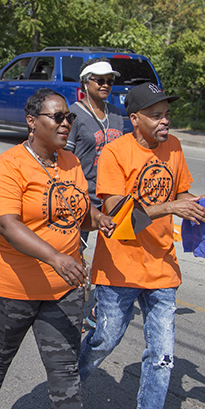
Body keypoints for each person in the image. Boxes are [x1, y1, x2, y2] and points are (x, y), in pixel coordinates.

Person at [0, 88, 119, 409]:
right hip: (9, 284)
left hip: (62, 286)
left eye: (69, 117)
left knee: (65, 366)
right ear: (33, 122)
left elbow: (71, 212)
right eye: (57, 117)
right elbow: (5, 223)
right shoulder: (10, 164)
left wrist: (95, 219)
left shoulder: (69, 162)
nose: (66, 123)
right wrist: (55, 257)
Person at [79, 82, 205, 409]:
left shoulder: (174, 148)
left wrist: (197, 203)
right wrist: (173, 206)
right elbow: (120, 212)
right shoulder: (115, 153)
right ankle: (67, 388)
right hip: (120, 265)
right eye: (156, 115)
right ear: (135, 119)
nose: (164, 120)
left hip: (162, 265)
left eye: (167, 114)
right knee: (104, 339)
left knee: (163, 353)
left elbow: (182, 193)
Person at [65, 57, 125, 329]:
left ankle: (99, 309)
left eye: (109, 80)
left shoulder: (116, 114)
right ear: (85, 82)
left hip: (112, 196)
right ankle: (70, 309)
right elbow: (64, 156)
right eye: (99, 80)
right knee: (74, 253)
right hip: (83, 196)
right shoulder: (74, 114)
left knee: (116, 255)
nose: (105, 84)